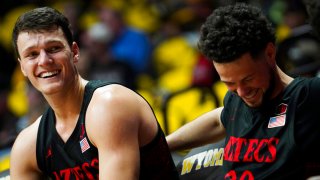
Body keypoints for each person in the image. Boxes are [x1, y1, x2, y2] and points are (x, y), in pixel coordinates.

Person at [10, 6, 179, 179]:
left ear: (75, 52)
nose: (44, 61)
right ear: (22, 66)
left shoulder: (110, 104)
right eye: (32, 54)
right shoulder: (27, 145)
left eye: (54, 48)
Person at [166, 3, 320, 179]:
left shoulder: (308, 96)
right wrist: (162, 145)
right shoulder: (235, 101)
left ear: (269, 53)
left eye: (248, 79)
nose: (241, 92)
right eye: (229, 83)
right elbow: (218, 120)